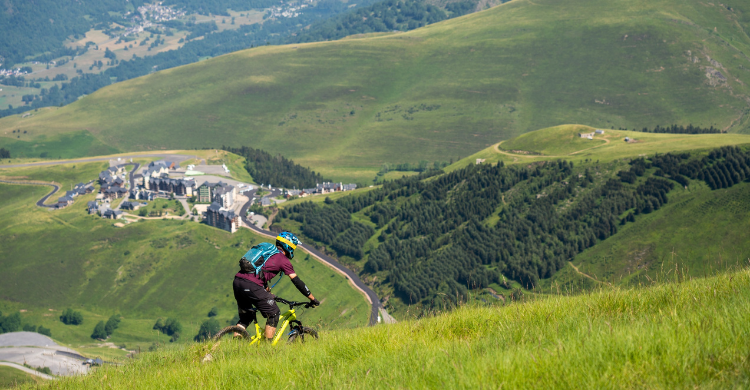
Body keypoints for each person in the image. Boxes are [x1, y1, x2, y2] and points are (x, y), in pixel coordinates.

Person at [232, 231, 320, 341]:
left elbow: (259, 274)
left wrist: (268, 293)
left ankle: (235, 347)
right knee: (274, 313)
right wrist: (312, 299)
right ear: (288, 246)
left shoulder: (267, 253)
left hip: (237, 282)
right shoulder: (283, 260)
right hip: (252, 286)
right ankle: (266, 349)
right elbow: (297, 281)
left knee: (245, 318)